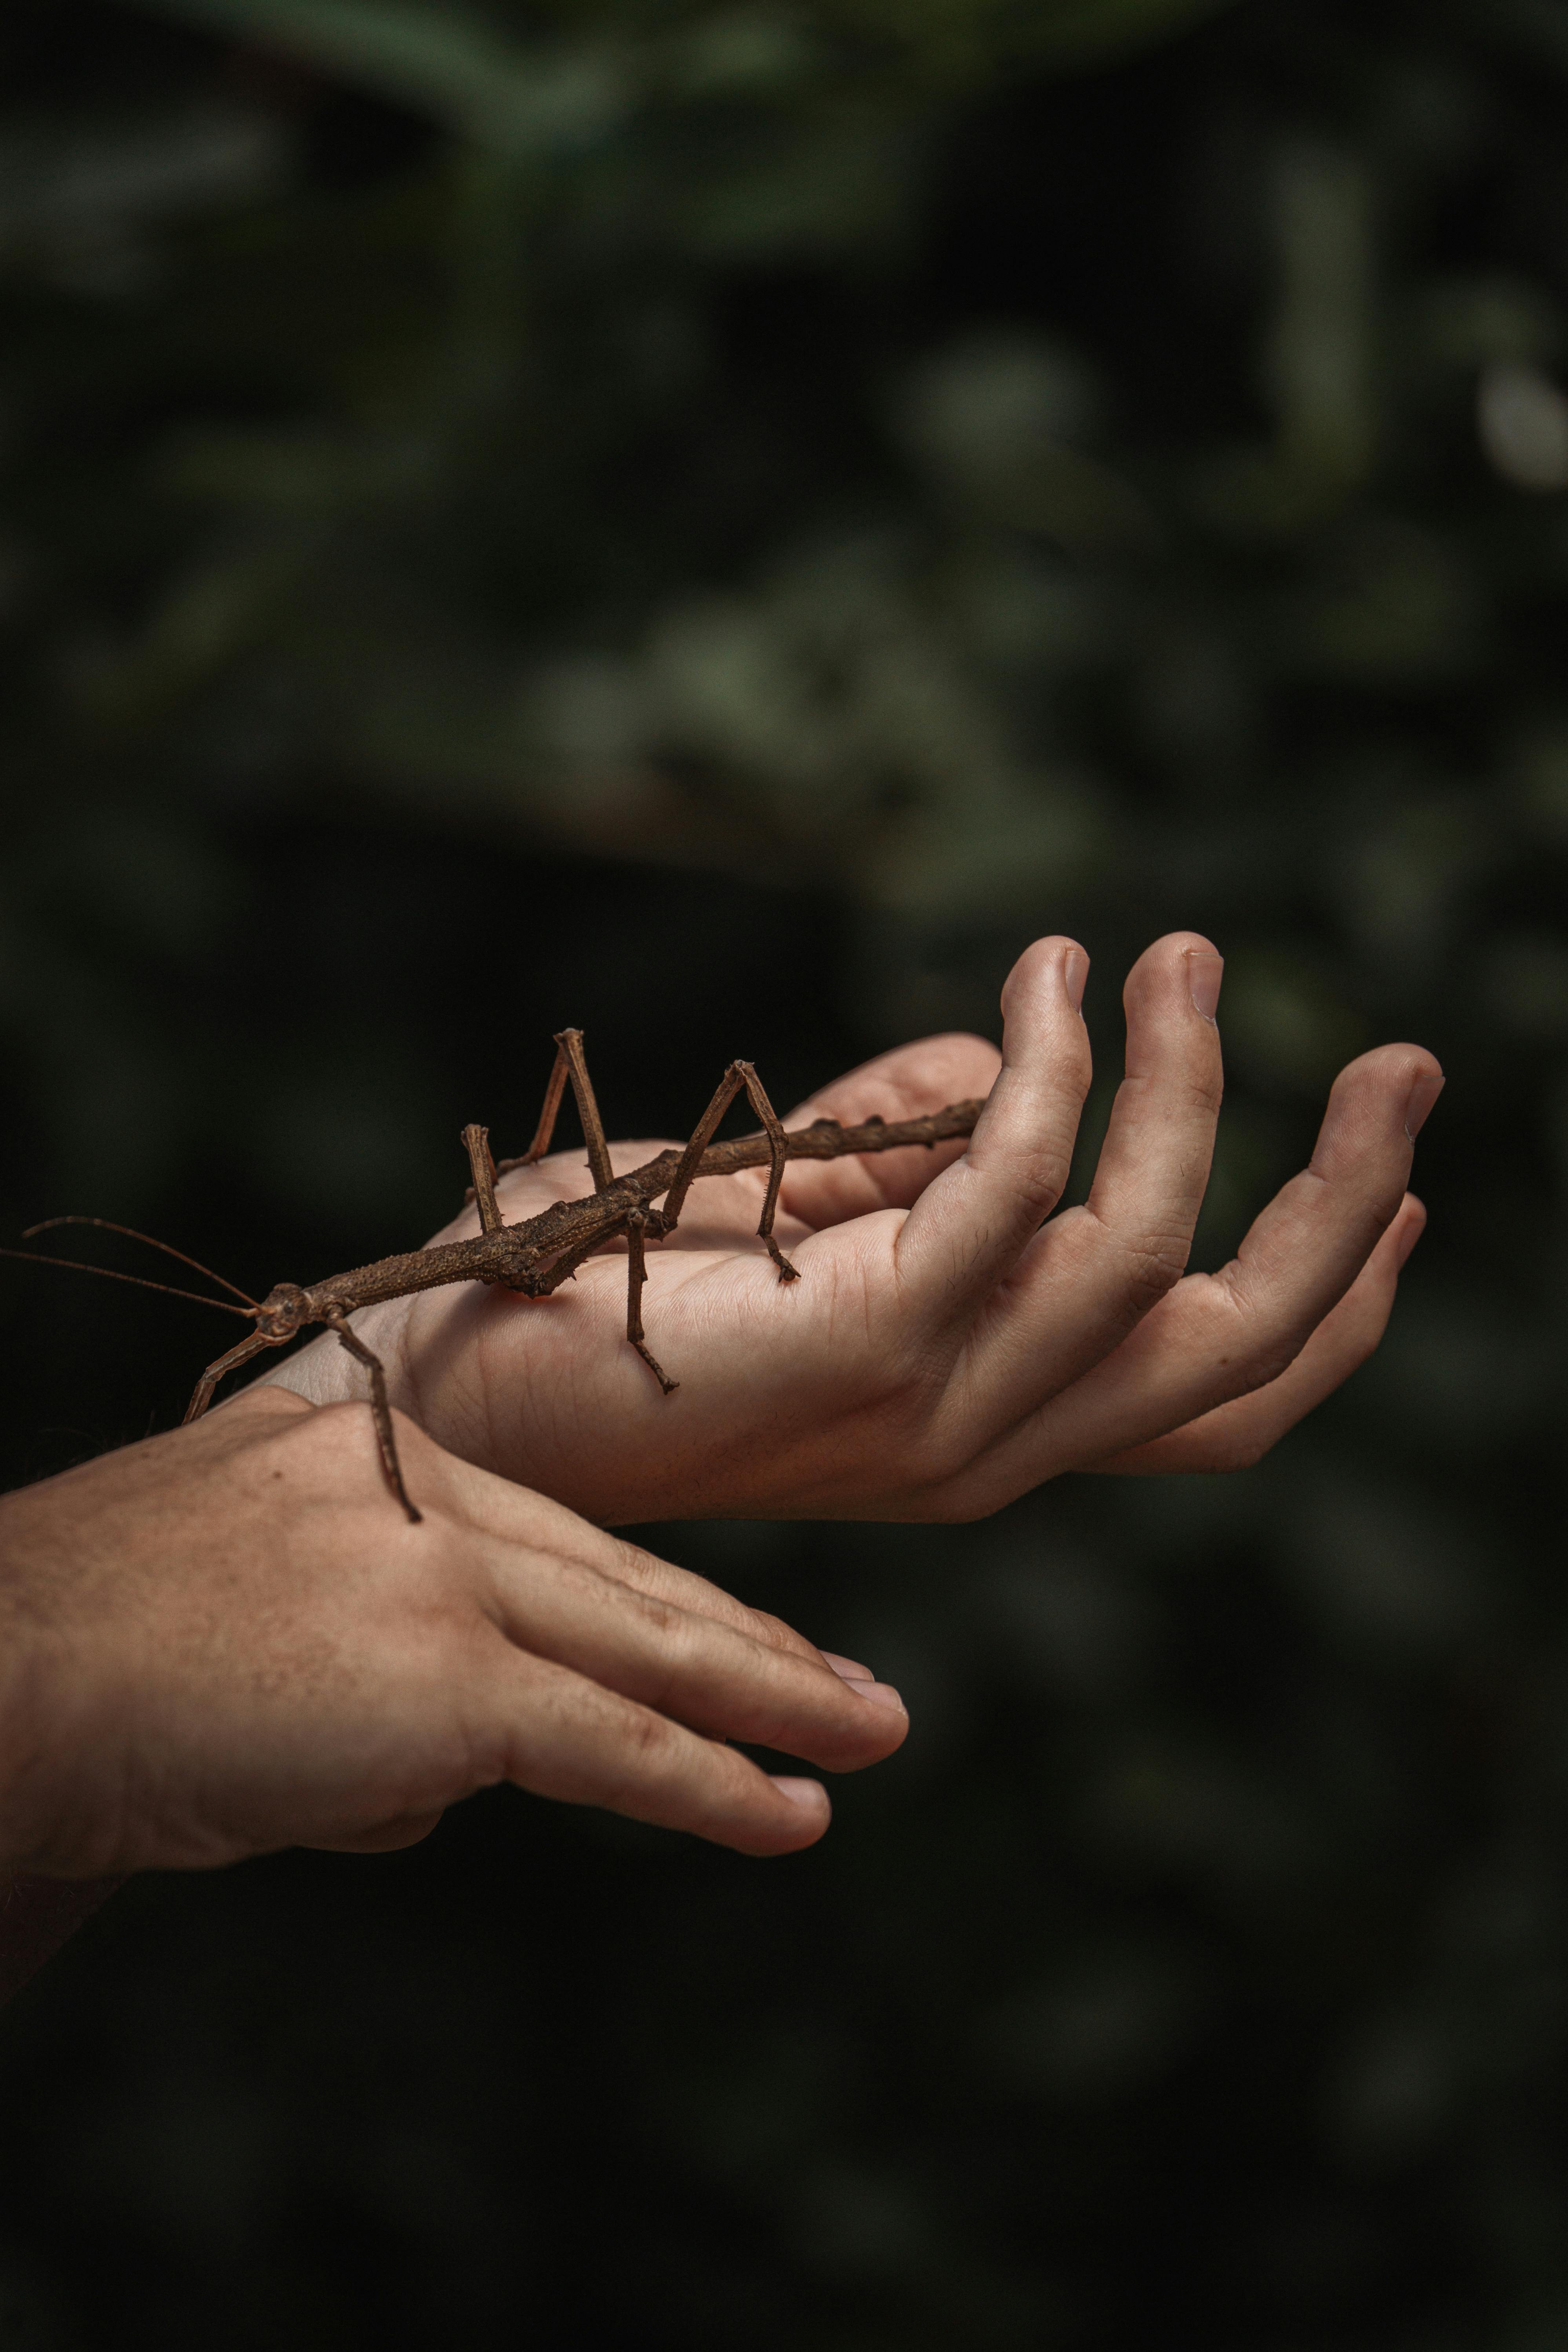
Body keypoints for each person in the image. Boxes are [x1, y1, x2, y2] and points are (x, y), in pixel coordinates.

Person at [0, 935, 1441, 1992]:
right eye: (293, 1330)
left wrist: (574, 1328)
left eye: (296, 1320)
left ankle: (745, 1207)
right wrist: (385, 1410)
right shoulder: (357, 1339)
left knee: (702, 1149)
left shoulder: (413, 1323)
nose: (293, 1328)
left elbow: (420, 1334)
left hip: (641, 1196)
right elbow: (363, 1352)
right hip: (542, 1242)